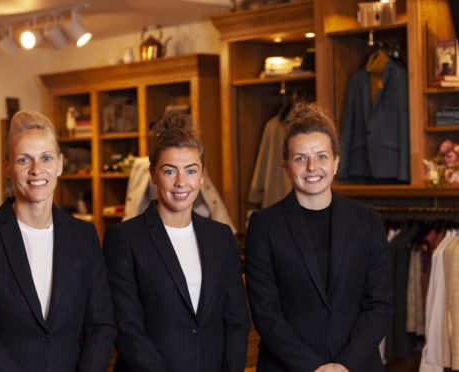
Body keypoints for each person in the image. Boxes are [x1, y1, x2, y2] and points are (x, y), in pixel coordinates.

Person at [0, 110, 116, 372]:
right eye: (24, 160)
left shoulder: (84, 236)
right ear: (7, 167)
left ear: (60, 164)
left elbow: (101, 325)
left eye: (46, 158)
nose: (36, 170)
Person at [245, 102, 393, 372]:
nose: (312, 167)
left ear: (336, 162)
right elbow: (266, 313)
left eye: (322, 156)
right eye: (300, 158)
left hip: (356, 366)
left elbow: (380, 304)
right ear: (286, 166)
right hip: (288, 367)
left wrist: (344, 364)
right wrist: (315, 368)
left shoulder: (367, 220)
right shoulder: (264, 225)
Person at [103, 111, 250, 372]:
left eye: (191, 171)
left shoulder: (221, 237)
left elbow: (237, 322)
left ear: (202, 175)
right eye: (170, 171)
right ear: (153, 174)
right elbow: (127, 327)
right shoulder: (123, 239)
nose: (181, 182)